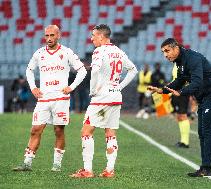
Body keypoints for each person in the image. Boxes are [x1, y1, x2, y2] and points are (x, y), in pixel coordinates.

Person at [13, 25, 87, 172]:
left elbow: (82, 70)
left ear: (58, 35)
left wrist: (71, 87)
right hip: (44, 98)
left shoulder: (66, 52)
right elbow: (29, 70)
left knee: (59, 130)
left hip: (61, 98)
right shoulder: (39, 53)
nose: (49, 38)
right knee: (35, 130)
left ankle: (57, 165)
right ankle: (27, 163)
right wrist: (33, 87)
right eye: (46, 36)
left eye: (52, 35)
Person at [148, 38, 211, 177]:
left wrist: (182, 92)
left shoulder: (192, 58)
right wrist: (163, 90)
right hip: (203, 97)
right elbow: (180, 80)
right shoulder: (180, 60)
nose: (165, 55)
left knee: (206, 131)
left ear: (176, 47)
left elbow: (197, 81)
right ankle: (205, 167)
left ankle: (207, 168)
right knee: (202, 132)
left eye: (167, 51)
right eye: (163, 52)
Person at [70, 24, 137, 178]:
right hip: (115, 96)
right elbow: (133, 69)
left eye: (93, 35)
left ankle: (87, 170)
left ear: (101, 36)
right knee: (110, 132)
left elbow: (95, 70)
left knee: (86, 131)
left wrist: (93, 90)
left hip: (102, 96)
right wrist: (119, 86)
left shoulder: (99, 51)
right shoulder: (118, 51)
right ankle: (109, 170)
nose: (91, 38)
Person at [171, 63, 191, 148]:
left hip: (182, 92)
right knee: (179, 116)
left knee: (183, 115)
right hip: (176, 91)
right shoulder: (176, 64)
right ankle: (182, 140)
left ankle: (185, 142)